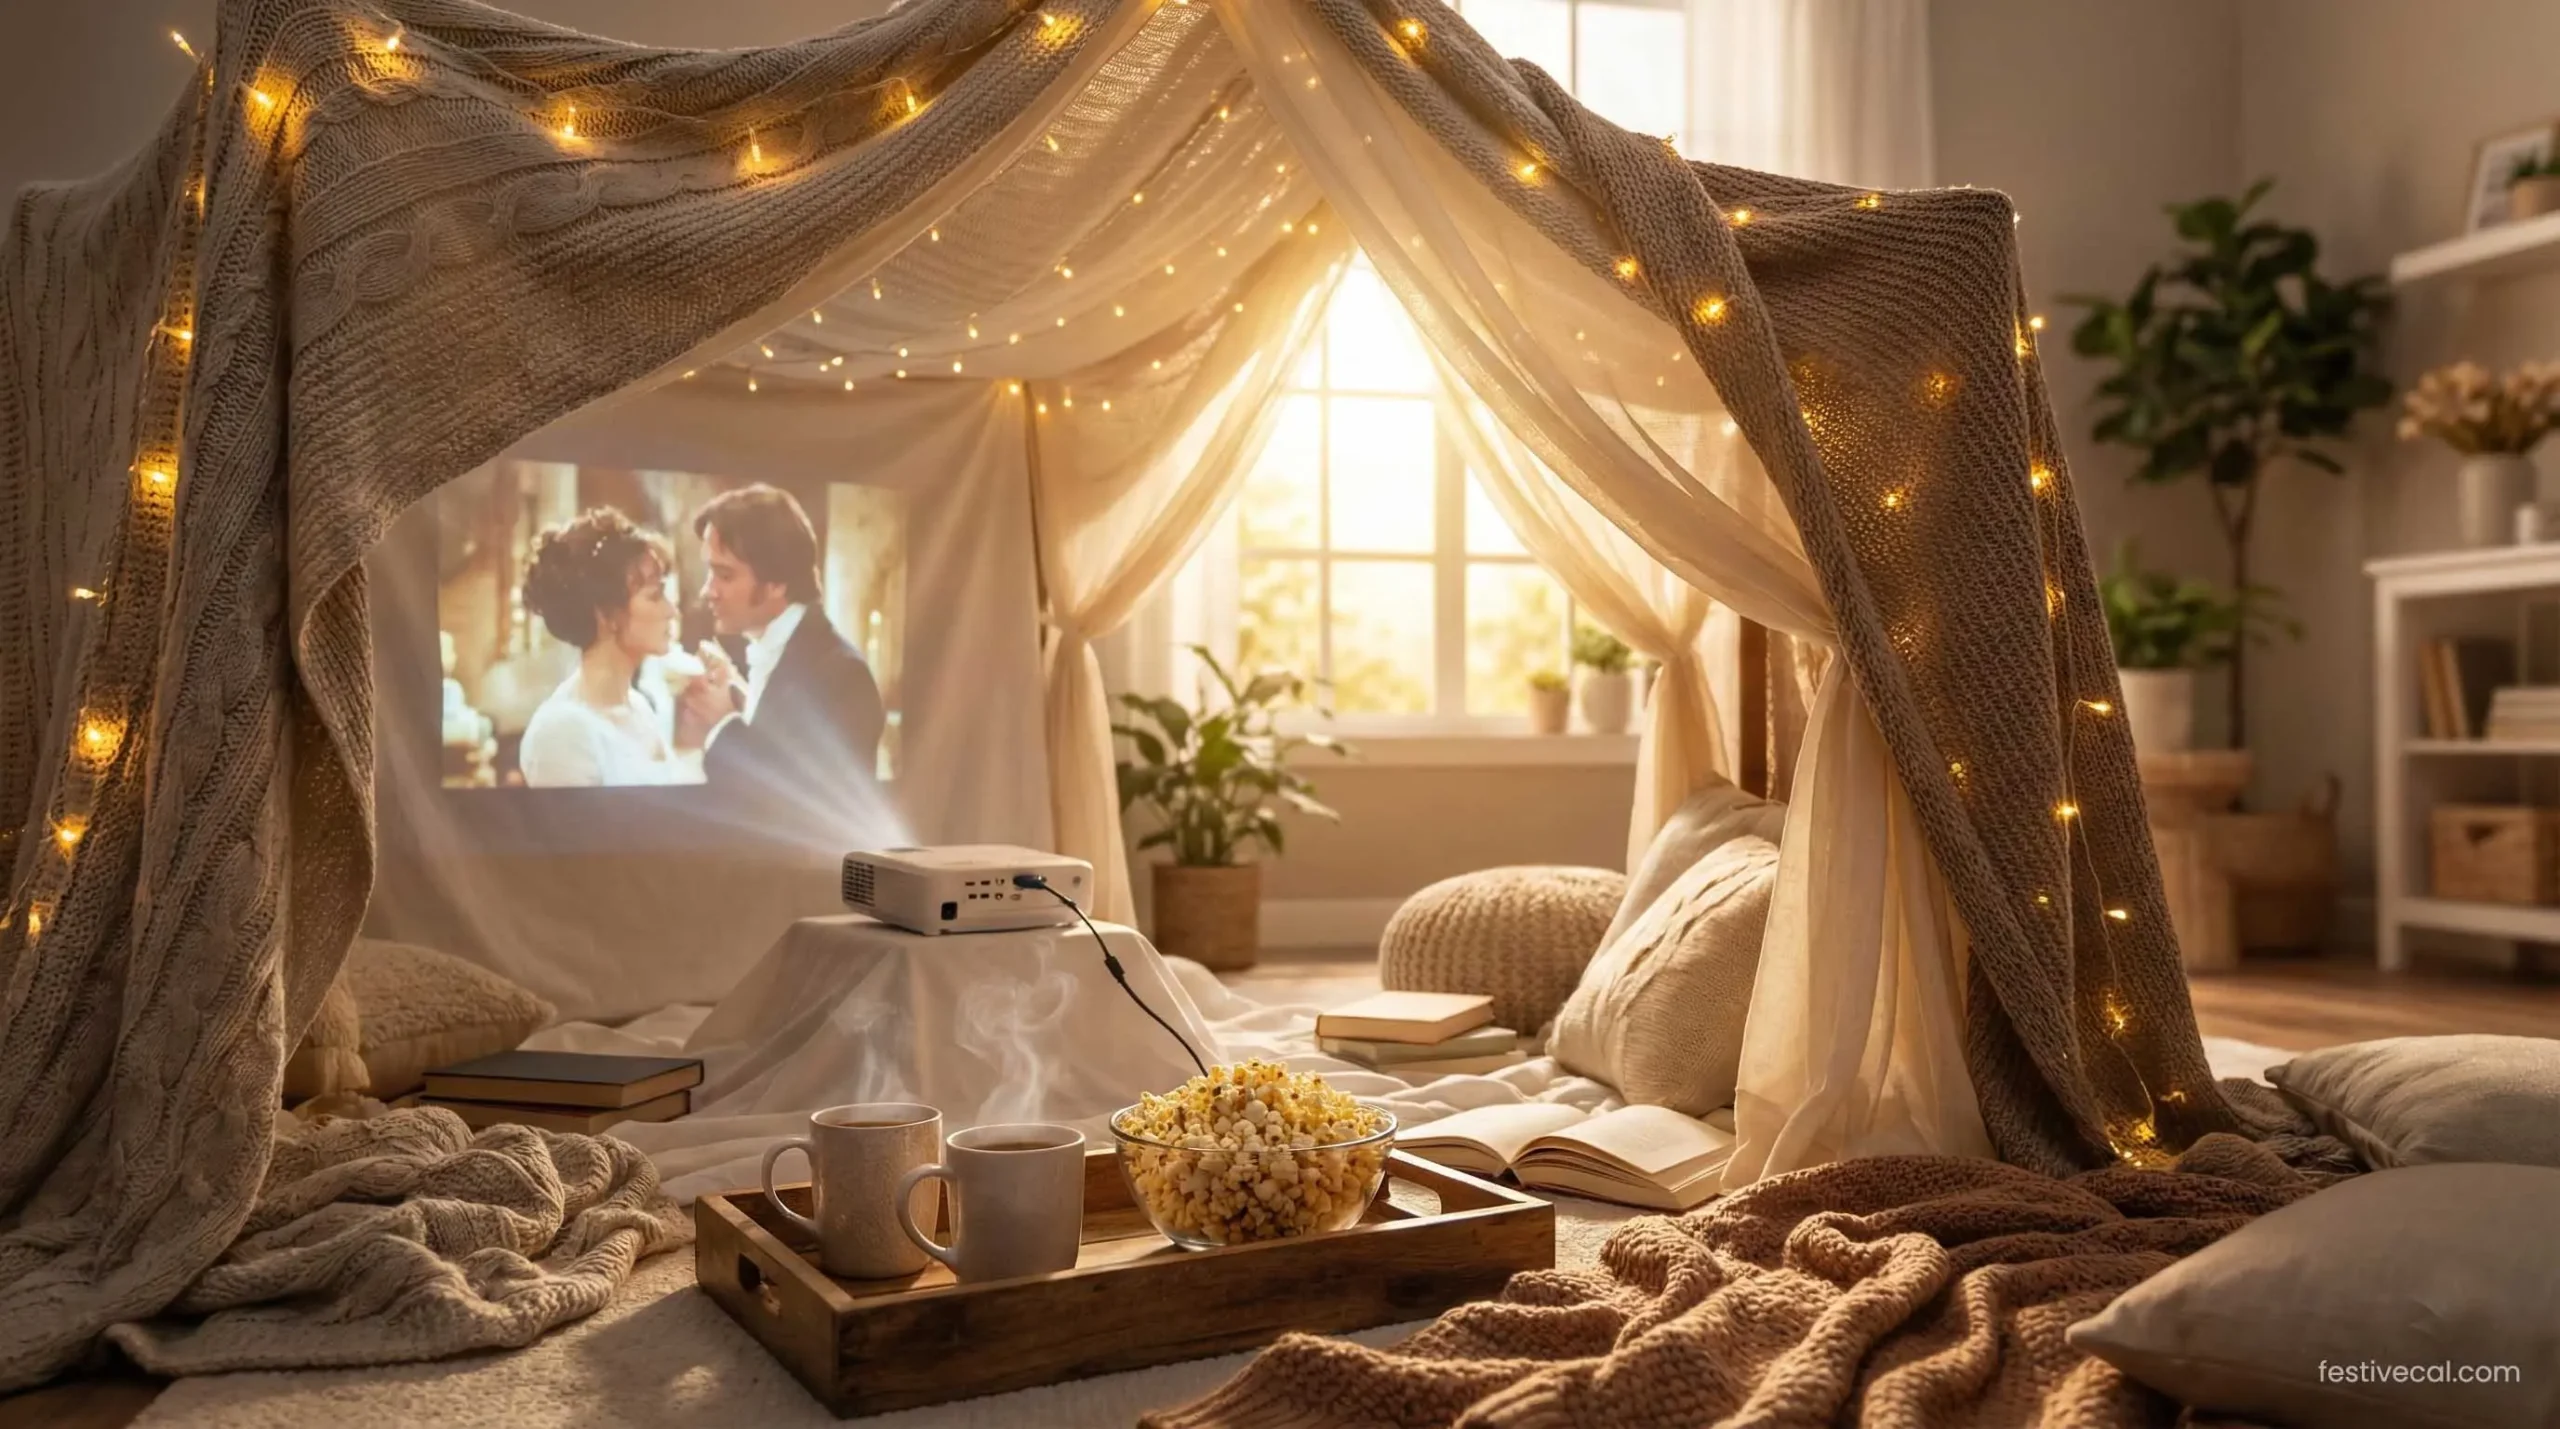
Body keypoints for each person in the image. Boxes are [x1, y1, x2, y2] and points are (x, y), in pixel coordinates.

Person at [681, 484, 885, 800]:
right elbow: (782, 742)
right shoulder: (783, 651)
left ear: (776, 583)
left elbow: (801, 810)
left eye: (724, 575)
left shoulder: (843, 675)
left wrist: (722, 725)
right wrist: (737, 696)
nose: (707, 591)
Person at [516, 507, 692, 787]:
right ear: (606, 615)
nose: (672, 611)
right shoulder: (562, 733)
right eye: (655, 596)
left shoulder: (639, 707)